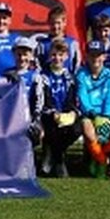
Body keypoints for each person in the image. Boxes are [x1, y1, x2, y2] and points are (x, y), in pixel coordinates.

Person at [76, 40, 110, 179]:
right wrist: (93, 114)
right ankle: (103, 162)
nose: (95, 58)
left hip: (107, 113)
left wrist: (105, 116)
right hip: (89, 113)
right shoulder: (81, 74)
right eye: (92, 55)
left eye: (98, 55)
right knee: (89, 134)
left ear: (104, 56)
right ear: (86, 56)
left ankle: (99, 155)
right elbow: (82, 96)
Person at [37, 38, 80, 177]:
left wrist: (72, 113)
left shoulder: (70, 77)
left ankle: (53, 155)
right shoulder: (43, 76)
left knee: (77, 128)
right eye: (54, 55)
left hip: (65, 114)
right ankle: (59, 161)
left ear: (66, 56)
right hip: (49, 116)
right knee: (52, 129)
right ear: (50, 56)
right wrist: (53, 113)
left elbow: (73, 99)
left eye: (61, 55)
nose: (57, 58)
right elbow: (42, 100)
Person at [3, 36, 44, 146]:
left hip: (28, 119)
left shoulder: (35, 76)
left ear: (31, 56)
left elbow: (38, 101)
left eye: (25, 54)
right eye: (19, 54)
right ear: (14, 54)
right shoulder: (6, 75)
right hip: (10, 120)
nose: (22, 58)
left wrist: (36, 120)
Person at [36, 5, 81, 73]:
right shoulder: (42, 45)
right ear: (48, 22)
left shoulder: (72, 44)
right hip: (48, 81)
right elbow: (38, 66)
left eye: (58, 23)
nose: (55, 26)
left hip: (67, 81)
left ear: (64, 23)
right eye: (52, 23)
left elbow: (77, 64)